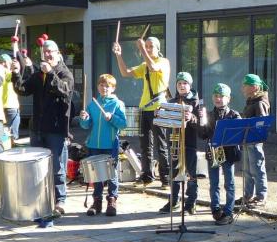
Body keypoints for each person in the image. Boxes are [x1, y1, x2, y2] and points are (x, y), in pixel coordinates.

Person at [12, 39, 74, 215]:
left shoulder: (65, 73)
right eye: (44, 52)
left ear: (58, 54)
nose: (47, 55)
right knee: (37, 167)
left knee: (57, 167)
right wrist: (16, 74)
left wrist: (51, 73)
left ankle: (60, 200)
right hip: (37, 128)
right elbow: (23, 90)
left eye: (50, 51)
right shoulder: (39, 74)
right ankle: (40, 200)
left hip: (56, 128)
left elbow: (64, 90)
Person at [112, 36, 171, 187]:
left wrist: (142, 48)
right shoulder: (144, 64)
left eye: (151, 46)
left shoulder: (163, 62)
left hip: (158, 108)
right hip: (144, 109)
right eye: (147, 46)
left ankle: (166, 178)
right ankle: (147, 176)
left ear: (158, 49)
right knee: (145, 145)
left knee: (161, 145)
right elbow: (125, 72)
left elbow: (153, 67)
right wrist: (119, 55)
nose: (148, 49)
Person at [78, 74, 127, 217]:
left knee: (111, 174)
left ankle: (112, 200)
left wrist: (112, 118)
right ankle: (97, 202)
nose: (104, 88)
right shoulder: (92, 105)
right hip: (94, 144)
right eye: (101, 85)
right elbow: (86, 126)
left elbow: (123, 124)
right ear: (98, 87)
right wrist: (84, 119)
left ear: (113, 88)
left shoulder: (118, 104)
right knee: (96, 175)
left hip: (110, 144)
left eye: (107, 86)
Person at [159, 71, 204, 215]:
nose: (182, 86)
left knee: (191, 173)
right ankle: (174, 201)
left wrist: (192, 118)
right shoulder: (171, 102)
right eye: (179, 83)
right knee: (174, 172)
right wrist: (160, 114)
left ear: (190, 85)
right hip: (174, 142)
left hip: (189, 143)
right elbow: (165, 122)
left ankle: (191, 202)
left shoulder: (196, 102)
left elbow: (202, 125)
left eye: (185, 83)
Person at [200, 83, 241, 226]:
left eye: (222, 96)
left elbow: (239, 134)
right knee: (214, 183)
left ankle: (229, 212)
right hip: (214, 151)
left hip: (229, 152)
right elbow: (203, 135)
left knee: (229, 183)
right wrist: (201, 122)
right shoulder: (209, 115)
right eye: (216, 96)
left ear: (228, 99)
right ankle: (216, 209)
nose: (218, 99)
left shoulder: (234, 115)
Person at [240, 73, 270, 207]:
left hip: (254, 141)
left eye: (245, 85)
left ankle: (261, 196)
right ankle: (248, 195)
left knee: (257, 169)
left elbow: (261, 123)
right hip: (247, 140)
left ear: (254, 87)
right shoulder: (251, 100)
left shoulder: (260, 102)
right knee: (247, 170)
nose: (242, 88)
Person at [0, 53, 20, 141]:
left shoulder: (11, 74)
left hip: (7, 108)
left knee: (5, 134)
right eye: (1, 62)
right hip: (7, 108)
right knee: (10, 135)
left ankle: (7, 145)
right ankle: (9, 146)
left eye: (5, 62)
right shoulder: (7, 74)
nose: (3, 64)